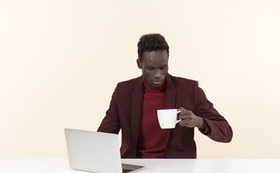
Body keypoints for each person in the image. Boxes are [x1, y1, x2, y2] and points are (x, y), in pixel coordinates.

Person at [98, 33, 233, 158]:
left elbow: (226, 133)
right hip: (135, 167)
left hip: (177, 169)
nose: (158, 75)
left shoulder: (188, 90)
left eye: (163, 68)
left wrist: (200, 122)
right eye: (151, 69)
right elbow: (103, 137)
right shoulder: (124, 92)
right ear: (139, 64)